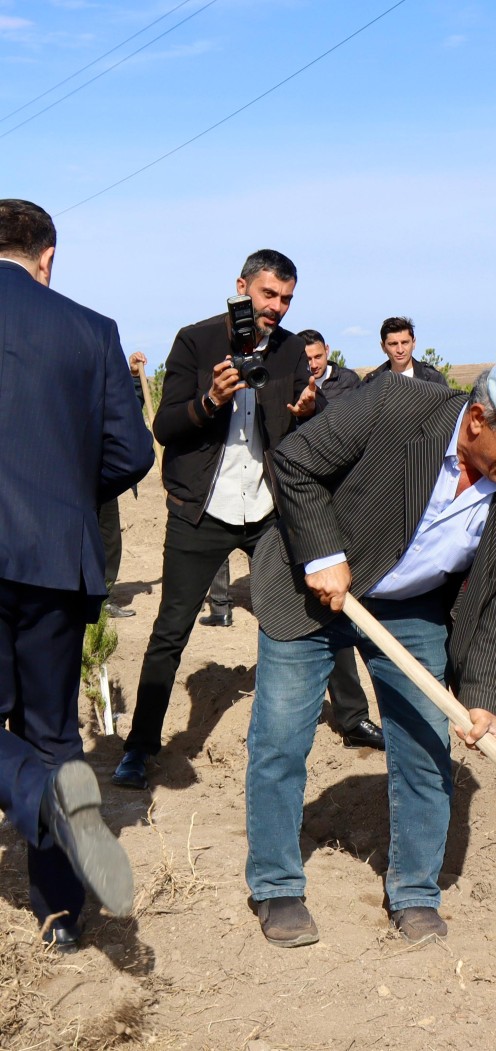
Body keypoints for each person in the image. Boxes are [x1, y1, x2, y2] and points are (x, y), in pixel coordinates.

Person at [243, 355, 496, 948]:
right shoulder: (394, 403)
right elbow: (294, 464)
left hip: (411, 607)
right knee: (282, 739)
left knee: (425, 748)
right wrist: (322, 554)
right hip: (312, 588)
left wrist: (486, 699)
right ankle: (276, 884)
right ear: (477, 421)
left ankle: (416, 891)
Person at [0, 199, 154, 948]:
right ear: (47, 256)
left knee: (23, 747)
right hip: (57, 557)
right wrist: (60, 493)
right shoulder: (91, 331)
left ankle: (37, 789)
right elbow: (132, 455)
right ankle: (62, 914)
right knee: (51, 729)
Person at [113, 250, 316, 790]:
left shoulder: (292, 347)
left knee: (309, 609)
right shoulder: (196, 340)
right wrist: (210, 400)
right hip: (201, 510)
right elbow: (165, 426)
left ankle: (346, 714)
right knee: (170, 632)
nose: (277, 307)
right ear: (241, 286)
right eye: (269, 294)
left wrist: (307, 411)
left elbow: (295, 426)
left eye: (287, 298)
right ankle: (140, 747)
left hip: (267, 508)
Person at [296, 328, 383, 749]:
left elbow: (348, 432)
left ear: (326, 353)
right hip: (300, 502)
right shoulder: (286, 380)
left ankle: (358, 716)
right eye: (305, 357)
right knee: (318, 614)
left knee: (356, 609)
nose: (311, 363)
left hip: (346, 503)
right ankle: (344, 715)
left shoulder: (348, 382)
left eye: (316, 356)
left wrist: (317, 405)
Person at [97, 350, 152, 620]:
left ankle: (102, 598)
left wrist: (132, 377)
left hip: (101, 476)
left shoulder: (104, 389)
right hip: (75, 476)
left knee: (108, 539)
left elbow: (127, 413)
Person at [363, 316, 448, 386]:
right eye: (393, 344)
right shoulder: (371, 382)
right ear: (383, 347)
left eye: (404, 343)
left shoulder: (434, 379)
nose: (400, 350)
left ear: (413, 343)